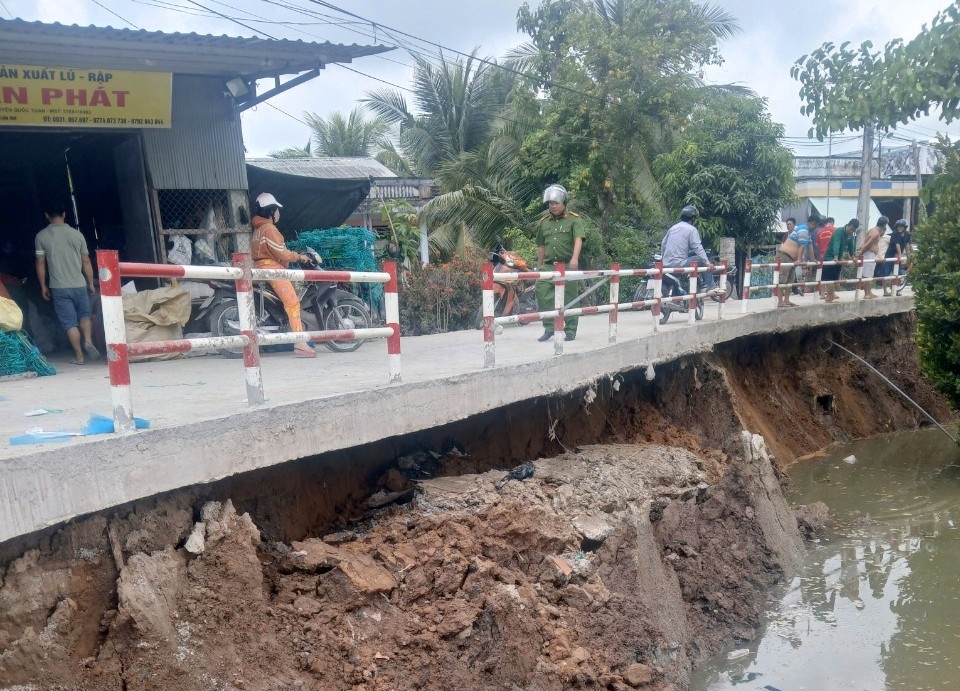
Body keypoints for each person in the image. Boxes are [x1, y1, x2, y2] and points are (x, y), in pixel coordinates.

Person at [250, 192, 317, 358]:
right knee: (293, 302)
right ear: (270, 211)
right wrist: (299, 256)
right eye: (276, 209)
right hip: (272, 268)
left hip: (263, 267)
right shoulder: (269, 229)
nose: (279, 213)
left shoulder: (258, 229)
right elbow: (282, 253)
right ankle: (299, 342)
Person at [34, 201, 99, 364]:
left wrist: (43, 285)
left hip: (59, 287)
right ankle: (89, 341)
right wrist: (90, 283)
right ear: (64, 214)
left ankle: (79, 356)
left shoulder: (41, 236)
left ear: (47, 216)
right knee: (85, 316)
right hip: (79, 284)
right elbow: (86, 261)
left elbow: (41, 262)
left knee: (70, 322)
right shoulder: (77, 235)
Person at [535, 184, 585, 342]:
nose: (553, 206)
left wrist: (575, 259)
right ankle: (549, 327)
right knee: (542, 292)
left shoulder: (574, 220)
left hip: (567, 265)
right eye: (550, 203)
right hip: (549, 266)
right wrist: (539, 266)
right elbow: (541, 246)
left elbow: (578, 239)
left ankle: (570, 330)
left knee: (570, 298)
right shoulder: (544, 223)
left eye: (556, 203)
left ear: (564, 203)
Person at [660, 204, 719, 294]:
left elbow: (663, 244)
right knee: (700, 259)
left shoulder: (673, 228)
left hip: (666, 264)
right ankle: (711, 286)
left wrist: (663, 258)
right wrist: (708, 263)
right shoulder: (691, 229)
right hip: (680, 264)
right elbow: (697, 247)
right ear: (693, 218)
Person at [774, 213, 816, 308]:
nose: (815, 228)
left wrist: (813, 260)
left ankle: (787, 300)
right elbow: (801, 246)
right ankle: (780, 302)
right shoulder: (803, 230)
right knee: (783, 280)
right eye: (816, 225)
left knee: (790, 280)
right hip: (785, 256)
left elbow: (810, 246)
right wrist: (799, 260)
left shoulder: (808, 232)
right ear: (813, 223)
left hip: (791, 259)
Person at [821, 218, 859, 303]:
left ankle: (831, 295)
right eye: (851, 229)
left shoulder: (850, 235)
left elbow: (851, 246)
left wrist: (853, 256)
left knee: (835, 279)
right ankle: (829, 297)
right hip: (830, 258)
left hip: (838, 259)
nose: (851, 231)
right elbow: (836, 243)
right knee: (829, 279)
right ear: (848, 225)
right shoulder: (838, 231)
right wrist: (836, 256)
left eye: (854, 230)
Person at [856, 216, 887, 299]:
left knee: (869, 274)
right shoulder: (876, 233)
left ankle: (869, 292)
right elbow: (868, 244)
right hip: (868, 254)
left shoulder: (872, 230)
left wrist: (860, 248)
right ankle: (866, 294)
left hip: (869, 254)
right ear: (884, 225)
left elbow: (864, 240)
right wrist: (861, 251)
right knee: (867, 275)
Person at [884, 219, 911, 296]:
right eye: (898, 226)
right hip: (890, 255)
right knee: (886, 273)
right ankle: (885, 291)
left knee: (898, 274)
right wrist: (900, 255)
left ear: (905, 227)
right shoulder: (895, 234)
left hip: (898, 256)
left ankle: (894, 290)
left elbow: (907, 245)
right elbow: (897, 244)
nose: (899, 228)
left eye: (901, 226)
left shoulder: (907, 235)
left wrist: (909, 255)